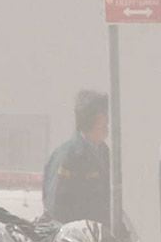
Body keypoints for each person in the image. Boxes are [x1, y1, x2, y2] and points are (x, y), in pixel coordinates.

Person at [41, 90, 110, 226]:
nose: (108, 122)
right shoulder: (69, 156)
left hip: (98, 237)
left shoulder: (104, 152)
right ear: (91, 119)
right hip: (76, 240)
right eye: (104, 117)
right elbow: (55, 208)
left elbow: (108, 201)